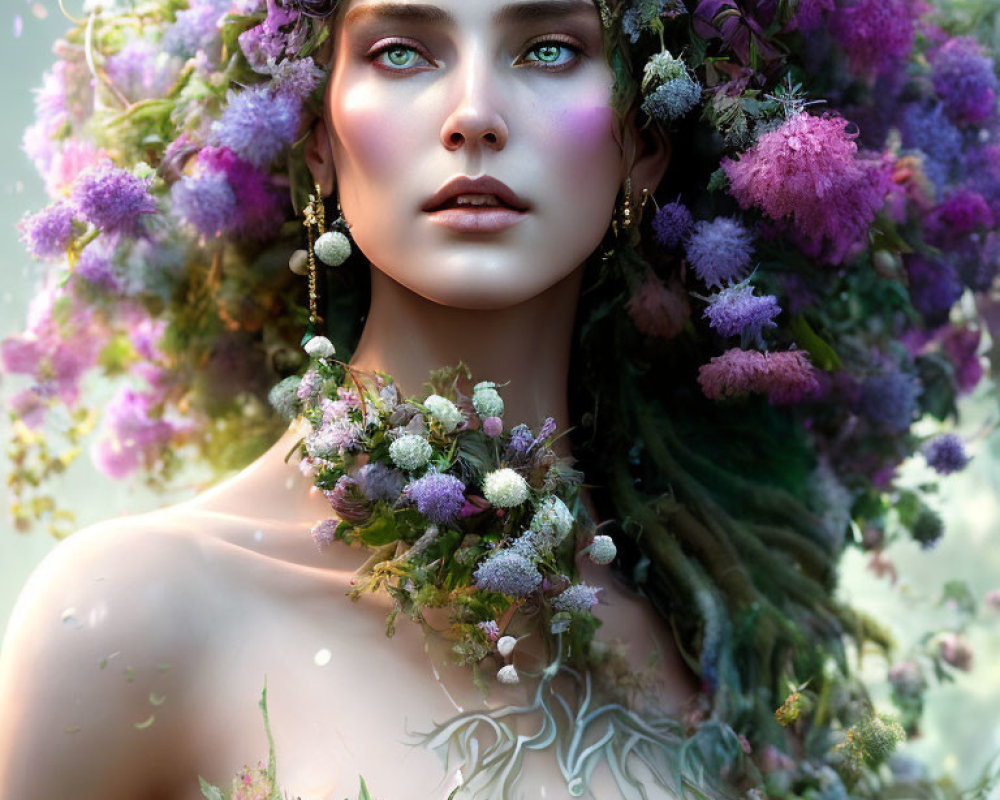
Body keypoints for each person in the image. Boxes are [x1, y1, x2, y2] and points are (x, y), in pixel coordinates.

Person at [2, 0, 998, 798]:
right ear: (316, 140)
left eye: (549, 48)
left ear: (643, 148)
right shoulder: (142, 610)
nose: (472, 111)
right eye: (400, 50)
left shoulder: (720, 627)